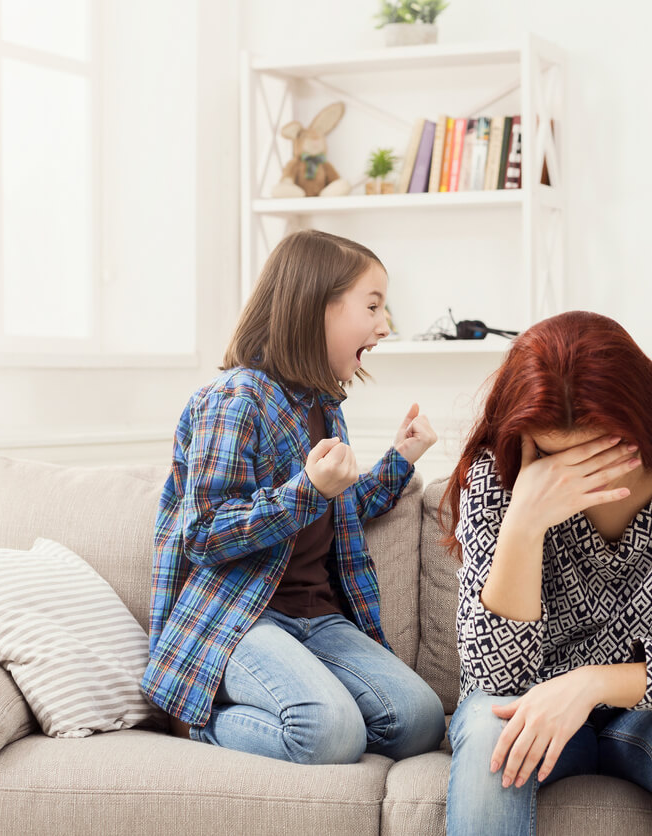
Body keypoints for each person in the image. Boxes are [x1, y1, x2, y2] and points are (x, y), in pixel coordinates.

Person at [441, 310, 652, 835]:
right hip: (534, 703)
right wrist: (524, 522)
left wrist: (588, 684)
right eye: (553, 456)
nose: (576, 476)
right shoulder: (498, 479)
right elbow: (492, 678)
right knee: (487, 731)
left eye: (603, 450)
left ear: (642, 418)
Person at [141, 229, 445, 765]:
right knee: (330, 734)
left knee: (419, 720)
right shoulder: (234, 400)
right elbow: (204, 533)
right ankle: (196, 723)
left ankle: (308, 714)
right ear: (315, 307)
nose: (384, 326)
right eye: (372, 306)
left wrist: (401, 458)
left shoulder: (323, 405)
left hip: (318, 618)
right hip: (240, 617)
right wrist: (306, 493)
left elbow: (341, 509)